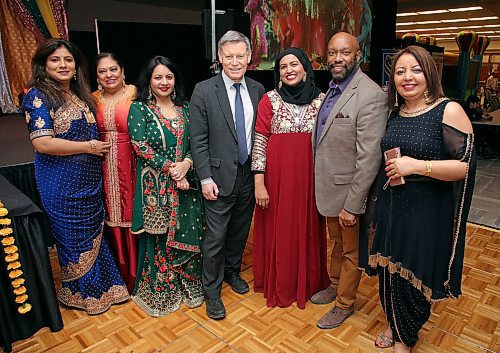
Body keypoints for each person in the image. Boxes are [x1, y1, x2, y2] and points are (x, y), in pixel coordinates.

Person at [367, 45, 476, 352]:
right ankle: (394, 325)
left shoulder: (448, 110)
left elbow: (462, 166)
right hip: (392, 208)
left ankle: (405, 337)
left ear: (429, 73)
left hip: (426, 214)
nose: (407, 77)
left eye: (415, 70)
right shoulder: (395, 113)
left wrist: (417, 166)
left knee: (414, 279)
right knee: (389, 274)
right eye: (400, 71)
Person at [21, 39, 129, 314]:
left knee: (94, 233)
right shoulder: (37, 96)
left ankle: (106, 286)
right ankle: (81, 292)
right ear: (44, 65)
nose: (63, 65)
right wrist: (88, 147)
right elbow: (43, 143)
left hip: (91, 182)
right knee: (72, 237)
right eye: (55, 60)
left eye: (68, 60)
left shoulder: (80, 95)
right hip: (60, 183)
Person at [312, 32, 387, 329]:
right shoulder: (332, 89)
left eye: (344, 53)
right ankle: (334, 286)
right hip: (331, 188)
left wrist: (353, 206)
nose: (337, 58)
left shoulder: (370, 95)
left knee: (351, 251)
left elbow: (369, 158)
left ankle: (344, 303)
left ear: (358, 56)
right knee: (337, 245)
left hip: (350, 195)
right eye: (332, 53)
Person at [190, 30, 265, 319]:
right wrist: (205, 178)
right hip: (218, 179)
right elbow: (198, 139)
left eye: (240, 56)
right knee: (216, 238)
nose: (235, 62)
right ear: (220, 58)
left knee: (239, 232)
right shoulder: (204, 90)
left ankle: (232, 272)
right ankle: (211, 292)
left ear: (249, 58)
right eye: (229, 56)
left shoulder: (258, 90)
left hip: (248, 176)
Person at [251, 47, 330, 308]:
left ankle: (308, 282)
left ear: (306, 68)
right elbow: (260, 141)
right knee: (280, 228)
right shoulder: (269, 100)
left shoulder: (322, 100)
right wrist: (259, 183)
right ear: (278, 73)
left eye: (294, 64)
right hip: (277, 179)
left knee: (306, 227)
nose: (289, 70)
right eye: (283, 67)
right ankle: (282, 282)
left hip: (310, 179)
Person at [127, 56, 205, 317]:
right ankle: (163, 287)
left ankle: (189, 282)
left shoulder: (187, 107)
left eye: (168, 77)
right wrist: (173, 169)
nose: (164, 82)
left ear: (175, 80)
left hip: (186, 184)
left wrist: (187, 163)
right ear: (149, 80)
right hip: (156, 186)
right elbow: (140, 146)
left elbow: (198, 141)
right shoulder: (140, 108)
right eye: (158, 77)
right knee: (160, 238)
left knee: (189, 232)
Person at [93, 53, 138, 293]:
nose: (109, 75)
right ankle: (117, 271)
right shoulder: (92, 99)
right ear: (97, 76)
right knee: (109, 211)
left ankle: (137, 271)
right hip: (101, 164)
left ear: (122, 71)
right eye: (103, 71)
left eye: (113, 69)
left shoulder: (135, 94)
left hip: (132, 161)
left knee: (132, 209)